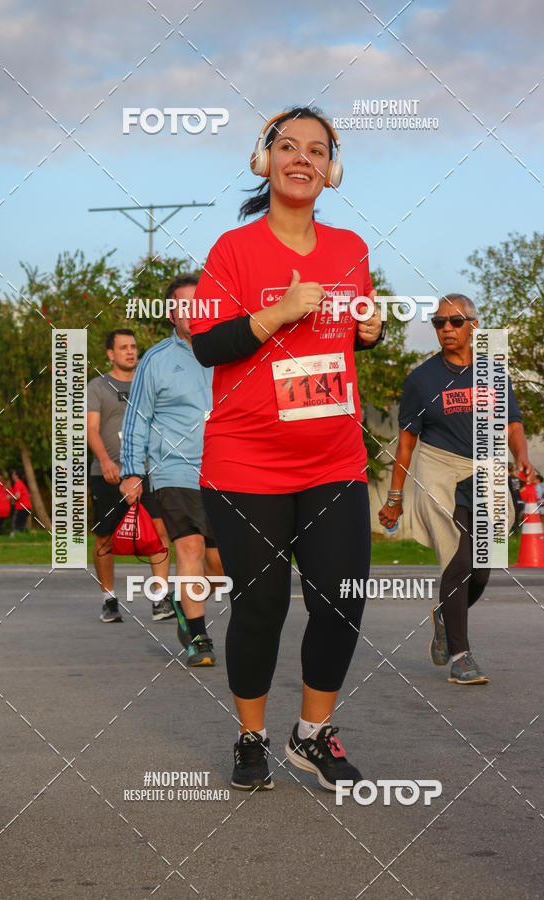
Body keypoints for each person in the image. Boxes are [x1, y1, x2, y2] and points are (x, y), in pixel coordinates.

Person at [190, 107, 384, 792]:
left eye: (317, 149)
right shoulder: (232, 250)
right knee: (261, 606)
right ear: (263, 160)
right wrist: (276, 313)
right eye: (288, 146)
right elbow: (207, 343)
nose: (301, 157)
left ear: (330, 170)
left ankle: (312, 735)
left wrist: (370, 332)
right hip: (246, 462)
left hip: (333, 458)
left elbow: (353, 335)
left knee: (341, 599)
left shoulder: (351, 249)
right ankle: (251, 736)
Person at [379, 294, 534, 685]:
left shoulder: (495, 374)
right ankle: (462, 657)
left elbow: (513, 425)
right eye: (438, 322)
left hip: (486, 470)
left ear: (474, 326)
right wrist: (395, 498)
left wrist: (522, 458)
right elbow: (407, 443)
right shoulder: (421, 379)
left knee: (481, 570)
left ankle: (445, 618)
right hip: (440, 471)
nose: (446, 328)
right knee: (459, 559)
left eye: (455, 321)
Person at [120, 276, 224, 666]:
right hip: (175, 471)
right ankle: (198, 637)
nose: (195, 312)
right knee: (191, 549)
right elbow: (137, 418)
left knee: (220, 566)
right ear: (171, 314)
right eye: (186, 306)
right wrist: (132, 471)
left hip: (224, 473)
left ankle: (184, 601)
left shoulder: (229, 354)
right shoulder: (157, 360)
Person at [88, 329, 171, 624]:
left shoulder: (150, 384)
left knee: (159, 534)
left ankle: (160, 599)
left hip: (149, 472)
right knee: (105, 538)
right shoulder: (97, 386)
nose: (130, 352)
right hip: (108, 473)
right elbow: (91, 430)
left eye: (133, 347)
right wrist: (106, 461)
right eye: (123, 348)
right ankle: (109, 600)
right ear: (110, 354)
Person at [10, 468, 32, 534]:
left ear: (16, 476)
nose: (12, 475)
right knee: (22, 524)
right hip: (27, 507)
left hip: (21, 507)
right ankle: (22, 536)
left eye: (13, 474)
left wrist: (10, 497)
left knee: (16, 523)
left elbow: (17, 496)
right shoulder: (22, 483)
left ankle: (16, 536)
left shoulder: (17, 484)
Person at [508, 462, 524, 534]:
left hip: (513, 501)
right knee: (516, 520)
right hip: (520, 501)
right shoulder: (517, 479)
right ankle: (516, 536)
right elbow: (523, 489)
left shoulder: (507, 479)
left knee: (512, 520)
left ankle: (514, 536)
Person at [533, 473, 544, 542]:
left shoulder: (538, 487)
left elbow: (537, 497)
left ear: (538, 480)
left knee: (540, 525)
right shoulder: (542, 486)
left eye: (534, 479)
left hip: (540, 508)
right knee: (542, 525)